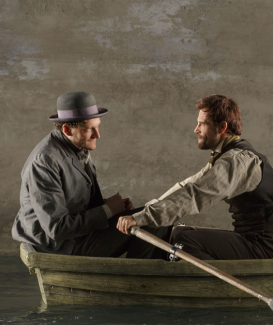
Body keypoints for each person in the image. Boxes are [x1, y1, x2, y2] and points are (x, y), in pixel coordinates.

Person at [117, 94, 273, 261]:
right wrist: (145, 212)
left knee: (183, 241)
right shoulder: (226, 156)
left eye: (202, 124)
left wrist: (141, 218)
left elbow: (195, 196)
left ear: (222, 127)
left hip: (264, 248)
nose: (196, 130)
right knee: (176, 232)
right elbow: (188, 186)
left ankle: (214, 287)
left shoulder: (236, 161)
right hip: (252, 240)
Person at [11, 91, 168, 258]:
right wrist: (107, 210)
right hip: (59, 246)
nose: (97, 135)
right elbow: (56, 228)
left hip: (76, 236)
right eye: (89, 129)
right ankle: (134, 279)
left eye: (98, 126)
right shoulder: (45, 161)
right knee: (154, 219)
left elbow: (76, 205)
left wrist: (113, 207)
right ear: (67, 129)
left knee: (154, 214)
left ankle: (134, 275)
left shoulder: (76, 145)